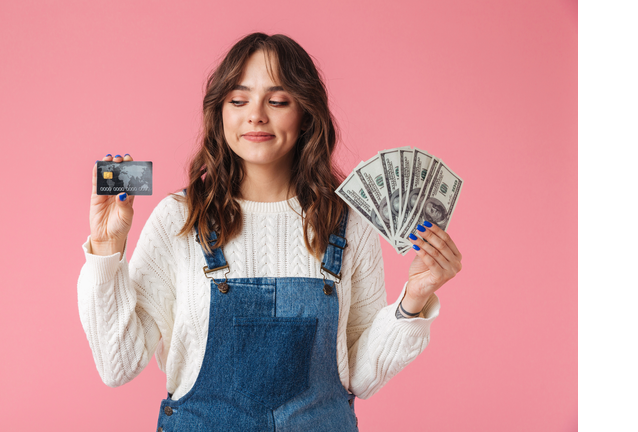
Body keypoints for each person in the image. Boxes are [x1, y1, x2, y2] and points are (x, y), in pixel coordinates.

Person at [77, 33, 463, 432]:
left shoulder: (348, 222)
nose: (256, 116)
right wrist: (106, 248)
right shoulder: (180, 219)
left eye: (277, 101)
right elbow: (117, 365)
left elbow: (360, 378)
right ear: (220, 113)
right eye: (238, 100)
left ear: (306, 114)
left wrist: (414, 299)